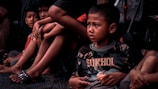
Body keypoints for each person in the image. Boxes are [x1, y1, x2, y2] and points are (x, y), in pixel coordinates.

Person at [68, 3, 135, 89]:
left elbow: (134, 76)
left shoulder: (122, 50)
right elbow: (75, 76)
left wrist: (121, 76)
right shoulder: (84, 51)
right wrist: (72, 81)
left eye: (96, 25)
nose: (90, 29)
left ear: (111, 28)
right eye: (88, 24)